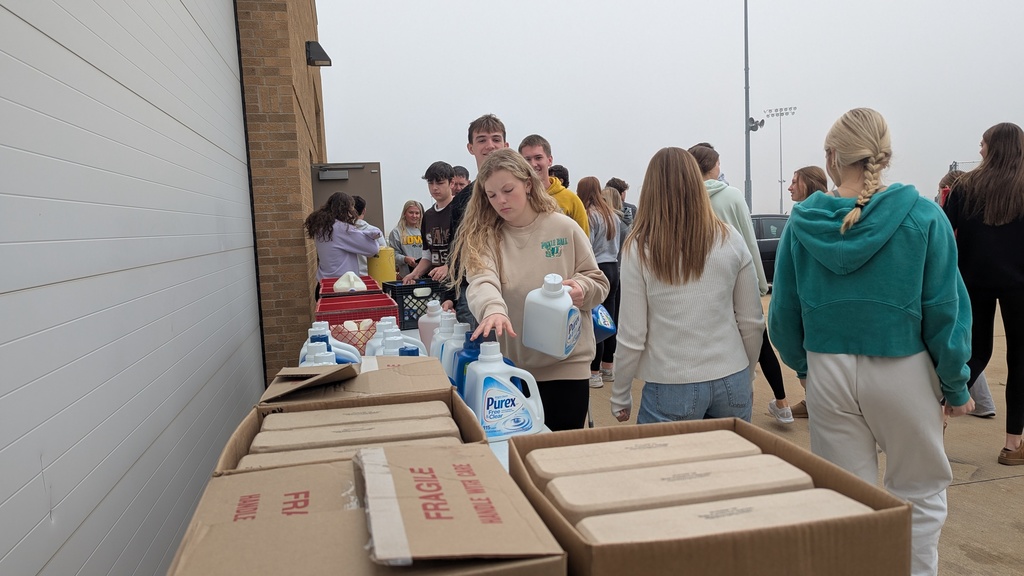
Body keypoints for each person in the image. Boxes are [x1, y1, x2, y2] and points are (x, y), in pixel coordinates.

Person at [769, 108, 973, 576]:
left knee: (846, 502)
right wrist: (955, 386)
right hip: (904, 368)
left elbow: (782, 316)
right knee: (919, 494)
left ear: (834, 157)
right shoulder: (923, 216)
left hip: (827, 368)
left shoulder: (801, 225)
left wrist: (807, 369)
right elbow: (946, 310)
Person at [448, 148, 609, 431]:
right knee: (520, 456)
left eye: (508, 190)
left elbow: (598, 281)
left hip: (567, 367)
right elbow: (482, 281)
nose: (501, 201)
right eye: (492, 195)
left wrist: (581, 289)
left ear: (527, 183)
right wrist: (492, 309)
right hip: (512, 370)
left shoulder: (564, 228)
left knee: (560, 452)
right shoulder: (486, 237)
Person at [611, 147, 763, 424]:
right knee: (731, 466)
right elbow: (752, 321)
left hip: (671, 381)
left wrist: (620, 392)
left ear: (651, 189)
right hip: (732, 374)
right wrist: (746, 372)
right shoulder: (731, 238)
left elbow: (633, 334)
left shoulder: (639, 246)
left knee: (668, 467)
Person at [688, 143, 791, 423]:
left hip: (703, 286)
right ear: (713, 166)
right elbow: (748, 240)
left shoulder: (686, 198)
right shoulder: (732, 196)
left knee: (716, 343)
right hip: (739, 279)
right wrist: (759, 281)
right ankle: (780, 404)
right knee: (757, 340)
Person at [944, 122, 1024, 463]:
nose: (979, 149)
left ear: (995, 147)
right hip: (1020, 285)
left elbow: (946, 232)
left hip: (972, 280)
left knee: (975, 352)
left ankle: (938, 415)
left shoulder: (966, 186)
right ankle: (1013, 445)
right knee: (1020, 360)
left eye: (982, 143)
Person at [438, 114, 511, 328]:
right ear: (470, 147)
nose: (490, 145)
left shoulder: (522, 190)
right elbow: (456, 247)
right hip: (473, 289)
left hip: (515, 288)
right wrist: (450, 293)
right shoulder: (462, 199)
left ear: (505, 145)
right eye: (482, 139)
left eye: (496, 139)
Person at [936, 169, 997, 419]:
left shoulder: (956, 209)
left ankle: (965, 399)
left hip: (961, 280)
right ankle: (982, 402)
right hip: (976, 279)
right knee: (970, 344)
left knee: (964, 343)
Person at [781, 164, 829, 418]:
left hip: (811, 323)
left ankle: (813, 400)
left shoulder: (798, 219)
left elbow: (784, 295)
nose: (789, 186)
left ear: (809, 183)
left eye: (794, 181)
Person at [577, 176, 621, 388]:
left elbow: (588, 246)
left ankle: (593, 373)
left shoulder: (589, 215)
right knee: (609, 320)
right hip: (613, 267)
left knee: (595, 322)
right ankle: (608, 368)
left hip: (597, 270)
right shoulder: (612, 215)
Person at [303, 192, 381, 299]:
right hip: (342, 288)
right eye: (352, 208)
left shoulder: (321, 228)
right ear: (346, 209)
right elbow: (373, 249)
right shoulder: (343, 229)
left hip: (322, 286)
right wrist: (369, 236)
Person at [518, 134, 590, 235]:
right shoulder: (517, 198)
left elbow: (583, 239)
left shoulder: (571, 200)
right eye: (527, 159)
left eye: (538, 158)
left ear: (550, 160)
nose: (533, 164)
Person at [402, 162, 456, 285]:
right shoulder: (428, 216)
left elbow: (470, 251)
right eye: (430, 183)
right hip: (436, 282)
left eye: (440, 183)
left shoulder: (461, 210)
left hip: (460, 282)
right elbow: (428, 254)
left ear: (451, 183)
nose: (434, 188)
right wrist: (415, 274)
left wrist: (449, 267)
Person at [388, 200, 425, 278]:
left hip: (424, 275)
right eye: (411, 212)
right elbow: (392, 255)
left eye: (417, 213)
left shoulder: (425, 230)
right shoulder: (396, 232)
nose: (414, 216)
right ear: (404, 213)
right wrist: (405, 259)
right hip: (405, 276)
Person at [353, 195, 387, 275]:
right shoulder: (376, 231)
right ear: (364, 210)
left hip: (350, 278)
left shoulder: (343, 232)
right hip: (371, 276)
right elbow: (383, 254)